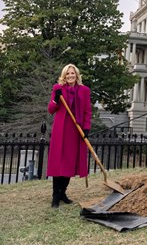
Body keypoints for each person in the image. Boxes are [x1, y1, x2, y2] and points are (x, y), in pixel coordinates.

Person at [47, 63, 92, 208]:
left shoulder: (84, 90)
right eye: (68, 74)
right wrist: (56, 100)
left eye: (72, 73)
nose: (70, 76)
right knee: (59, 162)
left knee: (69, 162)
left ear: (77, 75)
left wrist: (86, 128)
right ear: (64, 76)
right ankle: (56, 195)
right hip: (61, 130)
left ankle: (63, 193)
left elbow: (87, 111)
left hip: (75, 129)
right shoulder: (57, 89)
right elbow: (51, 110)